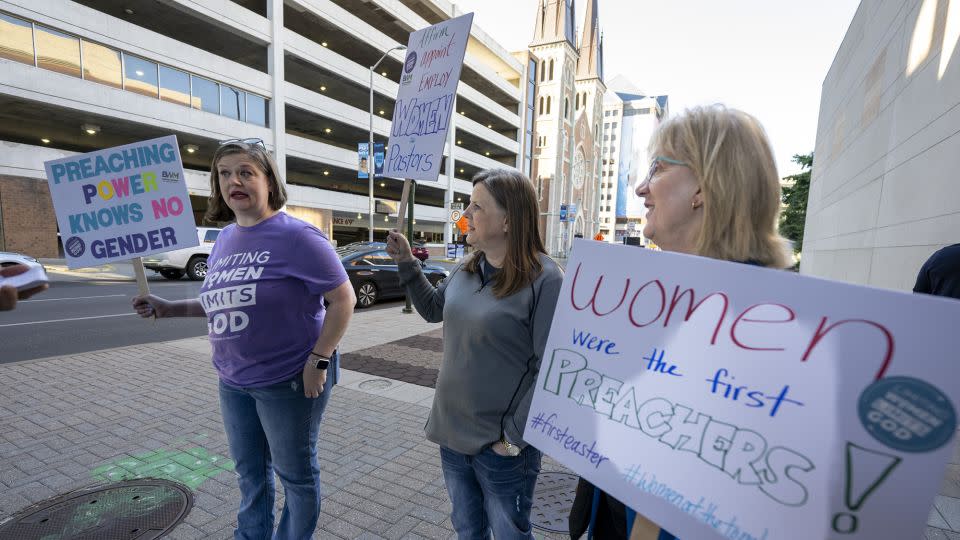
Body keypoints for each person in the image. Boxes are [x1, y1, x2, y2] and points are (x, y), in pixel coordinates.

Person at [569, 104, 791, 540]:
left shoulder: (777, 327)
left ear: (705, 187)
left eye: (656, 168)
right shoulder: (646, 295)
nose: (639, 188)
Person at [132, 139, 355, 540]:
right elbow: (220, 302)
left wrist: (319, 360)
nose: (234, 180)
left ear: (268, 181)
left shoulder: (299, 237)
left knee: (296, 477)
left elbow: (343, 299)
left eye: (246, 172)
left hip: (290, 380)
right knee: (251, 474)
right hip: (234, 381)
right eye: (224, 173)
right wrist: (168, 307)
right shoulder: (225, 240)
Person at [385, 169, 564, 540]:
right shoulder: (466, 269)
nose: (466, 214)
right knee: (467, 530)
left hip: (501, 447)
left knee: (509, 534)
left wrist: (511, 440)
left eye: (476, 206)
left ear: (509, 220)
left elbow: (551, 368)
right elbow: (434, 308)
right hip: (451, 435)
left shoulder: (547, 279)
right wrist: (407, 262)